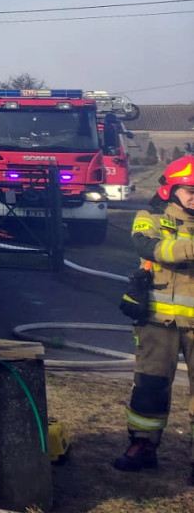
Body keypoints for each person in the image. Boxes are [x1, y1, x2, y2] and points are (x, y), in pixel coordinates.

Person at [114, 155, 194, 483]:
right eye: (189, 189)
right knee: (150, 385)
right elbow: (149, 247)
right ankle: (142, 446)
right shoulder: (149, 217)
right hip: (156, 320)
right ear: (170, 190)